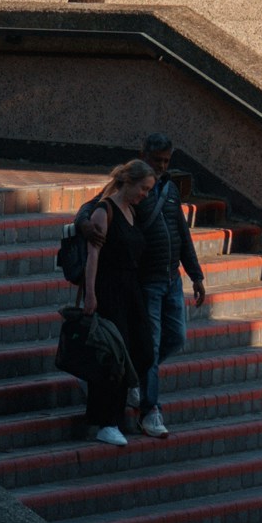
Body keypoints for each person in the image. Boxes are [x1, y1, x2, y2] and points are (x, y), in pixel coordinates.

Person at [69, 159, 159, 442]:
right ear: (128, 182)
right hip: (109, 289)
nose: (145, 195)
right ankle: (107, 422)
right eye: (143, 188)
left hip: (131, 289)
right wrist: (91, 294)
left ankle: (118, 404)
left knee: (142, 348)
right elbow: (93, 257)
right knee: (113, 356)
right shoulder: (104, 210)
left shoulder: (131, 211)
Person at [136, 133, 207, 431]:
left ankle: (136, 375)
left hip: (171, 278)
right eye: (157, 161)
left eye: (166, 161)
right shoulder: (133, 185)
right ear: (144, 156)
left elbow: (182, 233)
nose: (162, 167)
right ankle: (149, 409)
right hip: (148, 280)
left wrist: (196, 275)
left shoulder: (170, 189)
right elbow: (99, 205)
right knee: (150, 347)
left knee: (175, 337)